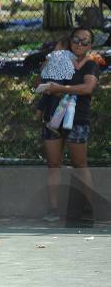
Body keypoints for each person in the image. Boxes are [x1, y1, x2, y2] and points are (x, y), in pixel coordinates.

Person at [39, 27, 100, 223]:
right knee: (53, 165)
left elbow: (87, 87)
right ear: (69, 41)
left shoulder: (90, 65)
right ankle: (53, 208)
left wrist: (62, 89)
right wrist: (51, 60)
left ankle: (88, 208)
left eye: (85, 41)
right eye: (76, 40)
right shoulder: (58, 61)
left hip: (77, 119)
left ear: (90, 45)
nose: (79, 44)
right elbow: (41, 80)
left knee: (80, 164)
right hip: (52, 119)